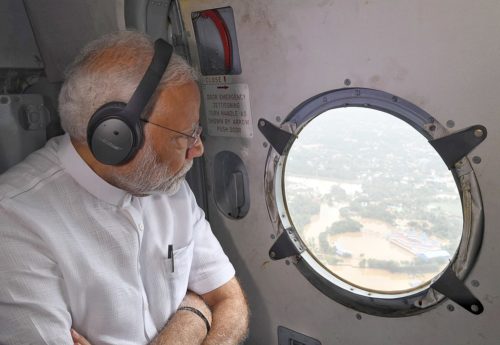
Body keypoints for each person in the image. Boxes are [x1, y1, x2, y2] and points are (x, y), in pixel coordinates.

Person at [0, 31, 249, 345]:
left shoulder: (168, 187)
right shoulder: (13, 223)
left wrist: (193, 316)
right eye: (184, 135)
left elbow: (228, 300)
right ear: (116, 136)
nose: (197, 149)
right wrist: (195, 308)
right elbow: (208, 299)